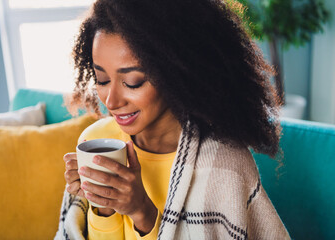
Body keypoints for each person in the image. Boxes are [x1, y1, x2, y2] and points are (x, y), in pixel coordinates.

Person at [55, 0, 290, 239]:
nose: (112, 101)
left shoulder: (224, 166)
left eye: (133, 81)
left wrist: (142, 213)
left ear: (175, 73)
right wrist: (102, 206)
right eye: (102, 79)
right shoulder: (95, 141)